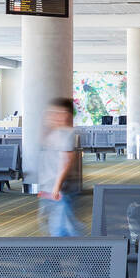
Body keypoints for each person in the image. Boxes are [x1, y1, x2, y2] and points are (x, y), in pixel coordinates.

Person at [38, 97, 83, 236]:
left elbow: (66, 161)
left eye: (60, 113)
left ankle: (89, 254)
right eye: (52, 113)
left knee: (63, 229)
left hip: (60, 190)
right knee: (60, 226)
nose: (55, 117)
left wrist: (56, 187)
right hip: (50, 188)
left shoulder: (66, 134)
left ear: (68, 115)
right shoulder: (53, 134)